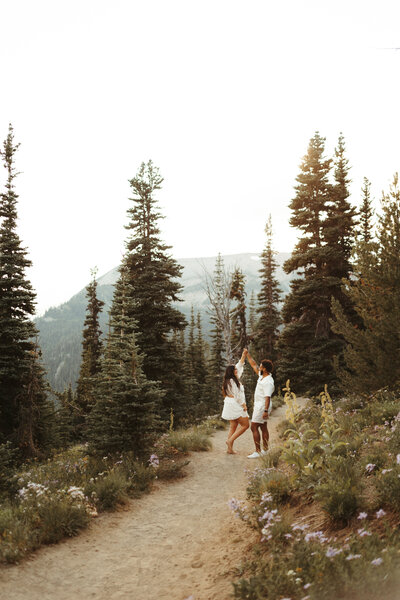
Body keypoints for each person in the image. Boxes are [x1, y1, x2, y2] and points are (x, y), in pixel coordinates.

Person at [245, 353, 275, 458]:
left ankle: (257, 451)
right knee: (263, 426)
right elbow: (254, 365)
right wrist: (247, 354)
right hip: (260, 405)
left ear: (265, 369)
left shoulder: (268, 382)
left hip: (262, 406)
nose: (259, 367)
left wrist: (265, 411)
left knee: (253, 427)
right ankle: (265, 450)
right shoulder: (262, 376)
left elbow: (268, 397)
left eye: (261, 366)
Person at [221, 349, 249, 454]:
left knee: (233, 426)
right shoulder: (233, 381)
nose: (237, 370)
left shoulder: (230, 380)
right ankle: (230, 441)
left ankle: (230, 449)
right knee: (246, 425)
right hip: (235, 404)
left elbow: (240, 365)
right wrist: (244, 405)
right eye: (235, 370)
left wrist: (243, 355)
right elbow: (237, 396)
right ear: (232, 372)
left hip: (229, 404)